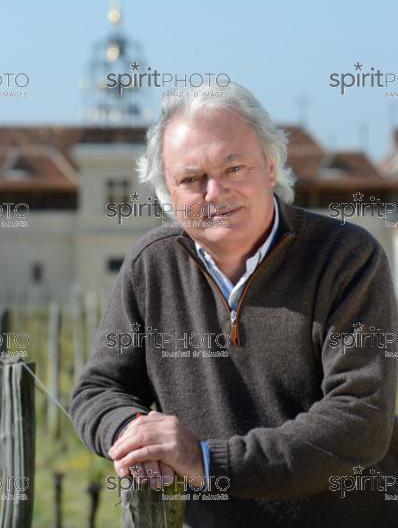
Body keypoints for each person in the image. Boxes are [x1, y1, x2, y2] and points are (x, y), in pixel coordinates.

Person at [71, 82, 398, 527]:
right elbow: (97, 390)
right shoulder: (152, 265)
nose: (214, 192)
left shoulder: (347, 258)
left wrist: (207, 462)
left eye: (234, 167)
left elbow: (360, 420)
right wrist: (131, 433)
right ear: (167, 192)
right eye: (191, 179)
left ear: (269, 166)